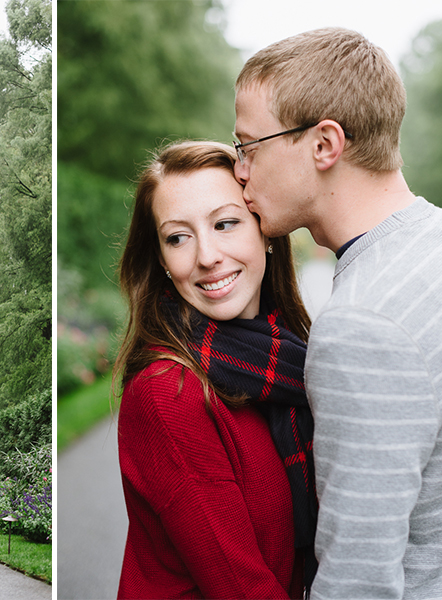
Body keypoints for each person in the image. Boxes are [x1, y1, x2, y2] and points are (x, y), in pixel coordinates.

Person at [233, 27, 442, 599]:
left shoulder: (363, 325)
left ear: (324, 145)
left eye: (249, 146)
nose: (240, 171)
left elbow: (357, 581)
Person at [115, 140, 314, 599]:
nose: (207, 256)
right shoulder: (168, 393)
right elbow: (242, 589)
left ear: (265, 231)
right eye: (178, 237)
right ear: (162, 261)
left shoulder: (286, 365)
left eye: (225, 223)